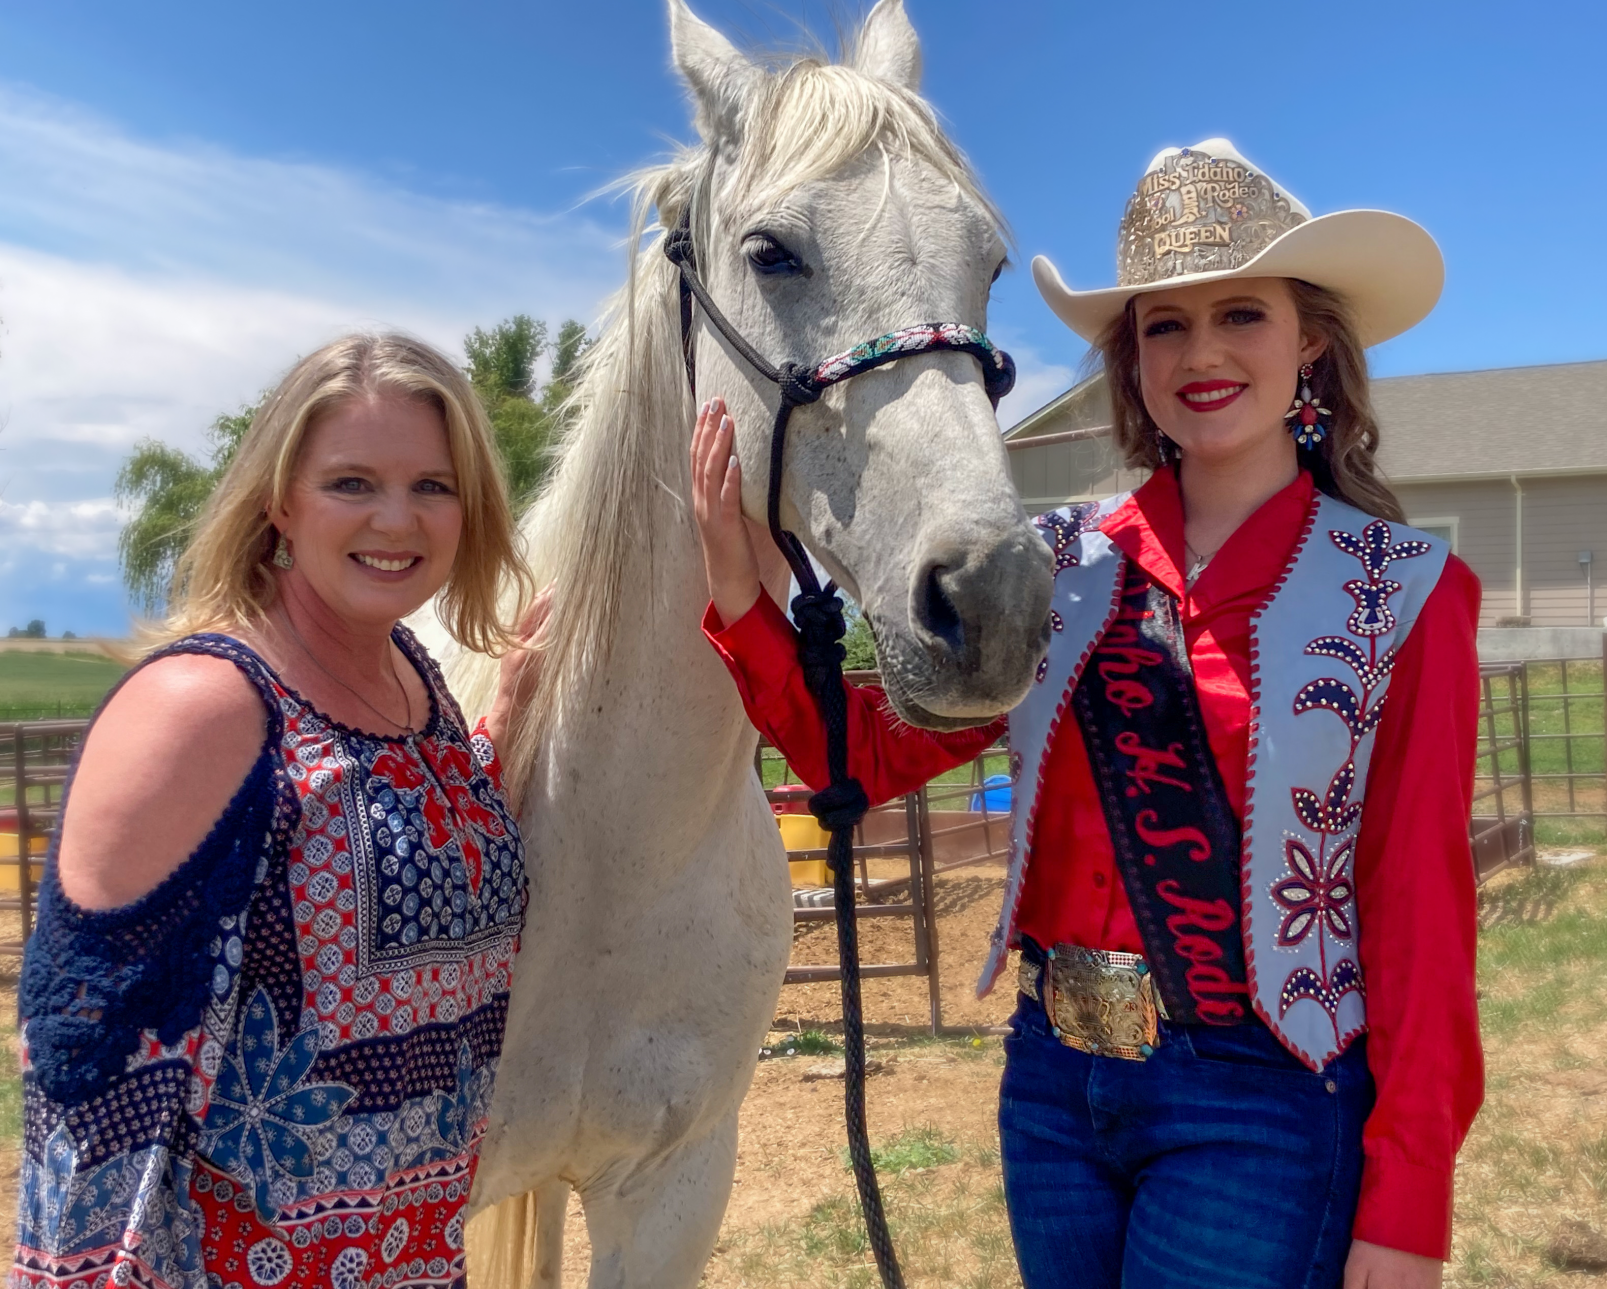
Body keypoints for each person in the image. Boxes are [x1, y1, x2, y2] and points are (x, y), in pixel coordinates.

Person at [690, 139, 1482, 1289]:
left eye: (1240, 315)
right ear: (1132, 356)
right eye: (1164, 324)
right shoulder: (1054, 568)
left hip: (1262, 1100)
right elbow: (855, 756)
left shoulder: (1399, 591)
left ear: (1308, 338)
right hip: (1054, 1088)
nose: (1200, 353)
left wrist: (1406, 1203)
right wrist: (735, 591)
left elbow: (1417, 914)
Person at [14, 333, 547, 1289]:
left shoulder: (414, 683)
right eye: (352, 482)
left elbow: (383, 846)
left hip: (411, 1257)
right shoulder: (205, 706)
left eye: (433, 485)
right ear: (279, 504)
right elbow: (81, 1065)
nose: (398, 516)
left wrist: (487, 744)